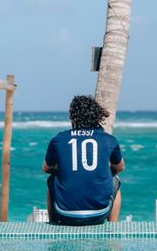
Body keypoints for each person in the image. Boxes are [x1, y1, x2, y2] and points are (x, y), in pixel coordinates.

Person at [42, 95, 125, 225]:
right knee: (115, 180)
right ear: (97, 115)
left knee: (52, 179)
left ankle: (53, 222)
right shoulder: (109, 140)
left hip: (64, 214)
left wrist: (62, 167)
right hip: (99, 214)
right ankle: (114, 226)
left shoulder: (59, 139)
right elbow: (120, 168)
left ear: (73, 117)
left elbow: (46, 168)